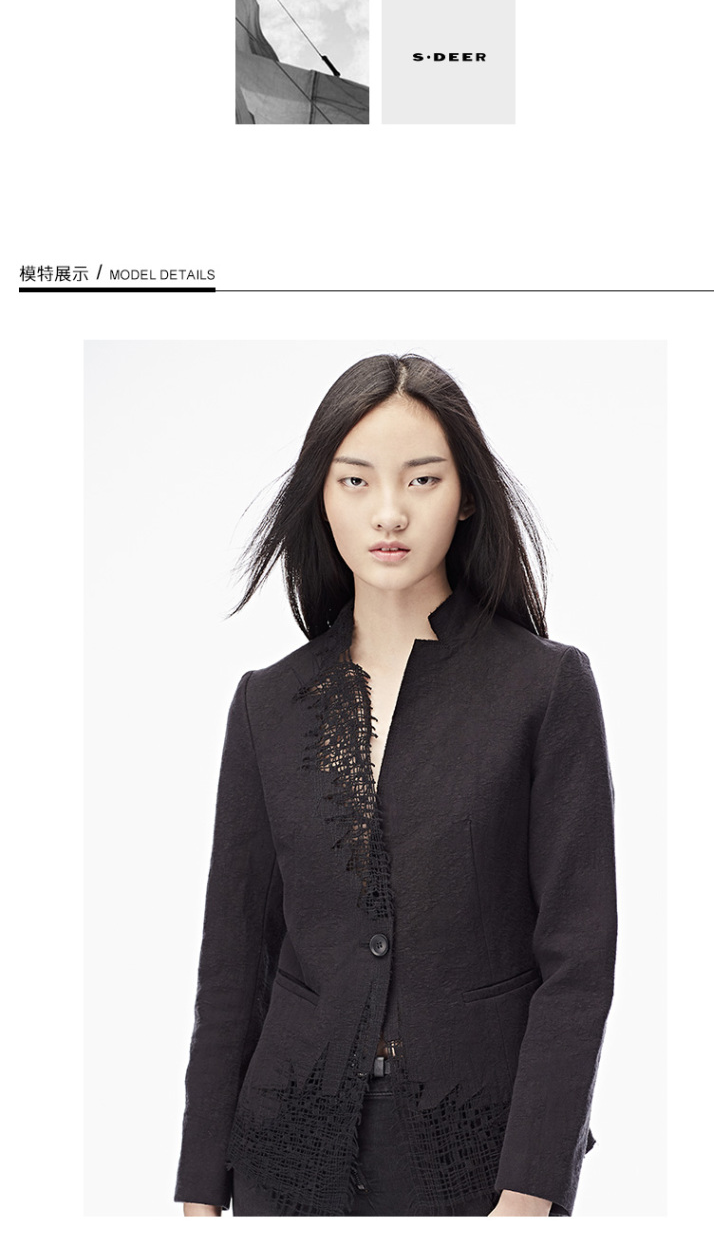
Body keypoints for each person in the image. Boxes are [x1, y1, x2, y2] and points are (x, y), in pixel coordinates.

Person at [174, 352, 618, 1217]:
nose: (389, 511)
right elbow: (233, 962)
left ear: (467, 495)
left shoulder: (545, 689)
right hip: (284, 1152)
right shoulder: (268, 703)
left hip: (476, 1159)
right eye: (356, 480)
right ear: (322, 496)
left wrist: (529, 1190)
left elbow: (578, 962)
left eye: (422, 479)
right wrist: (198, 1192)